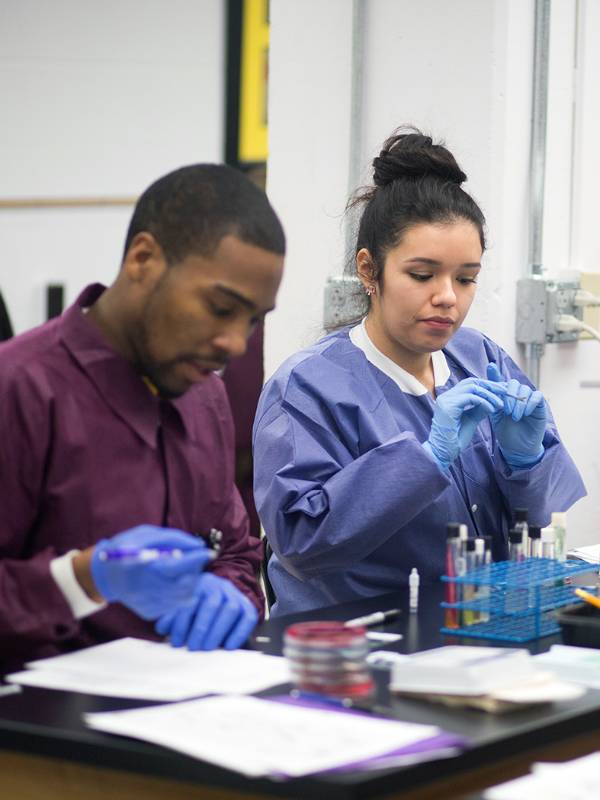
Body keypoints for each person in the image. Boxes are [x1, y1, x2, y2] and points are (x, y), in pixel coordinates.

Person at [253, 129, 585, 616]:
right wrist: (425, 460)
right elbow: (300, 542)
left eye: (466, 278)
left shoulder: (483, 360)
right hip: (360, 641)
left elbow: (537, 518)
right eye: (423, 275)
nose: (448, 296)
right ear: (369, 270)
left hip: (482, 624)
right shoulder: (307, 388)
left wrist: (527, 463)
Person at [0, 164, 285, 665]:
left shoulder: (205, 398)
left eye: (254, 321)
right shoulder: (21, 387)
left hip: (184, 706)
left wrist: (233, 593)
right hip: (44, 730)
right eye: (221, 308)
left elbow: (237, 550)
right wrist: (80, 579)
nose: (235, 344)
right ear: (144, 259)